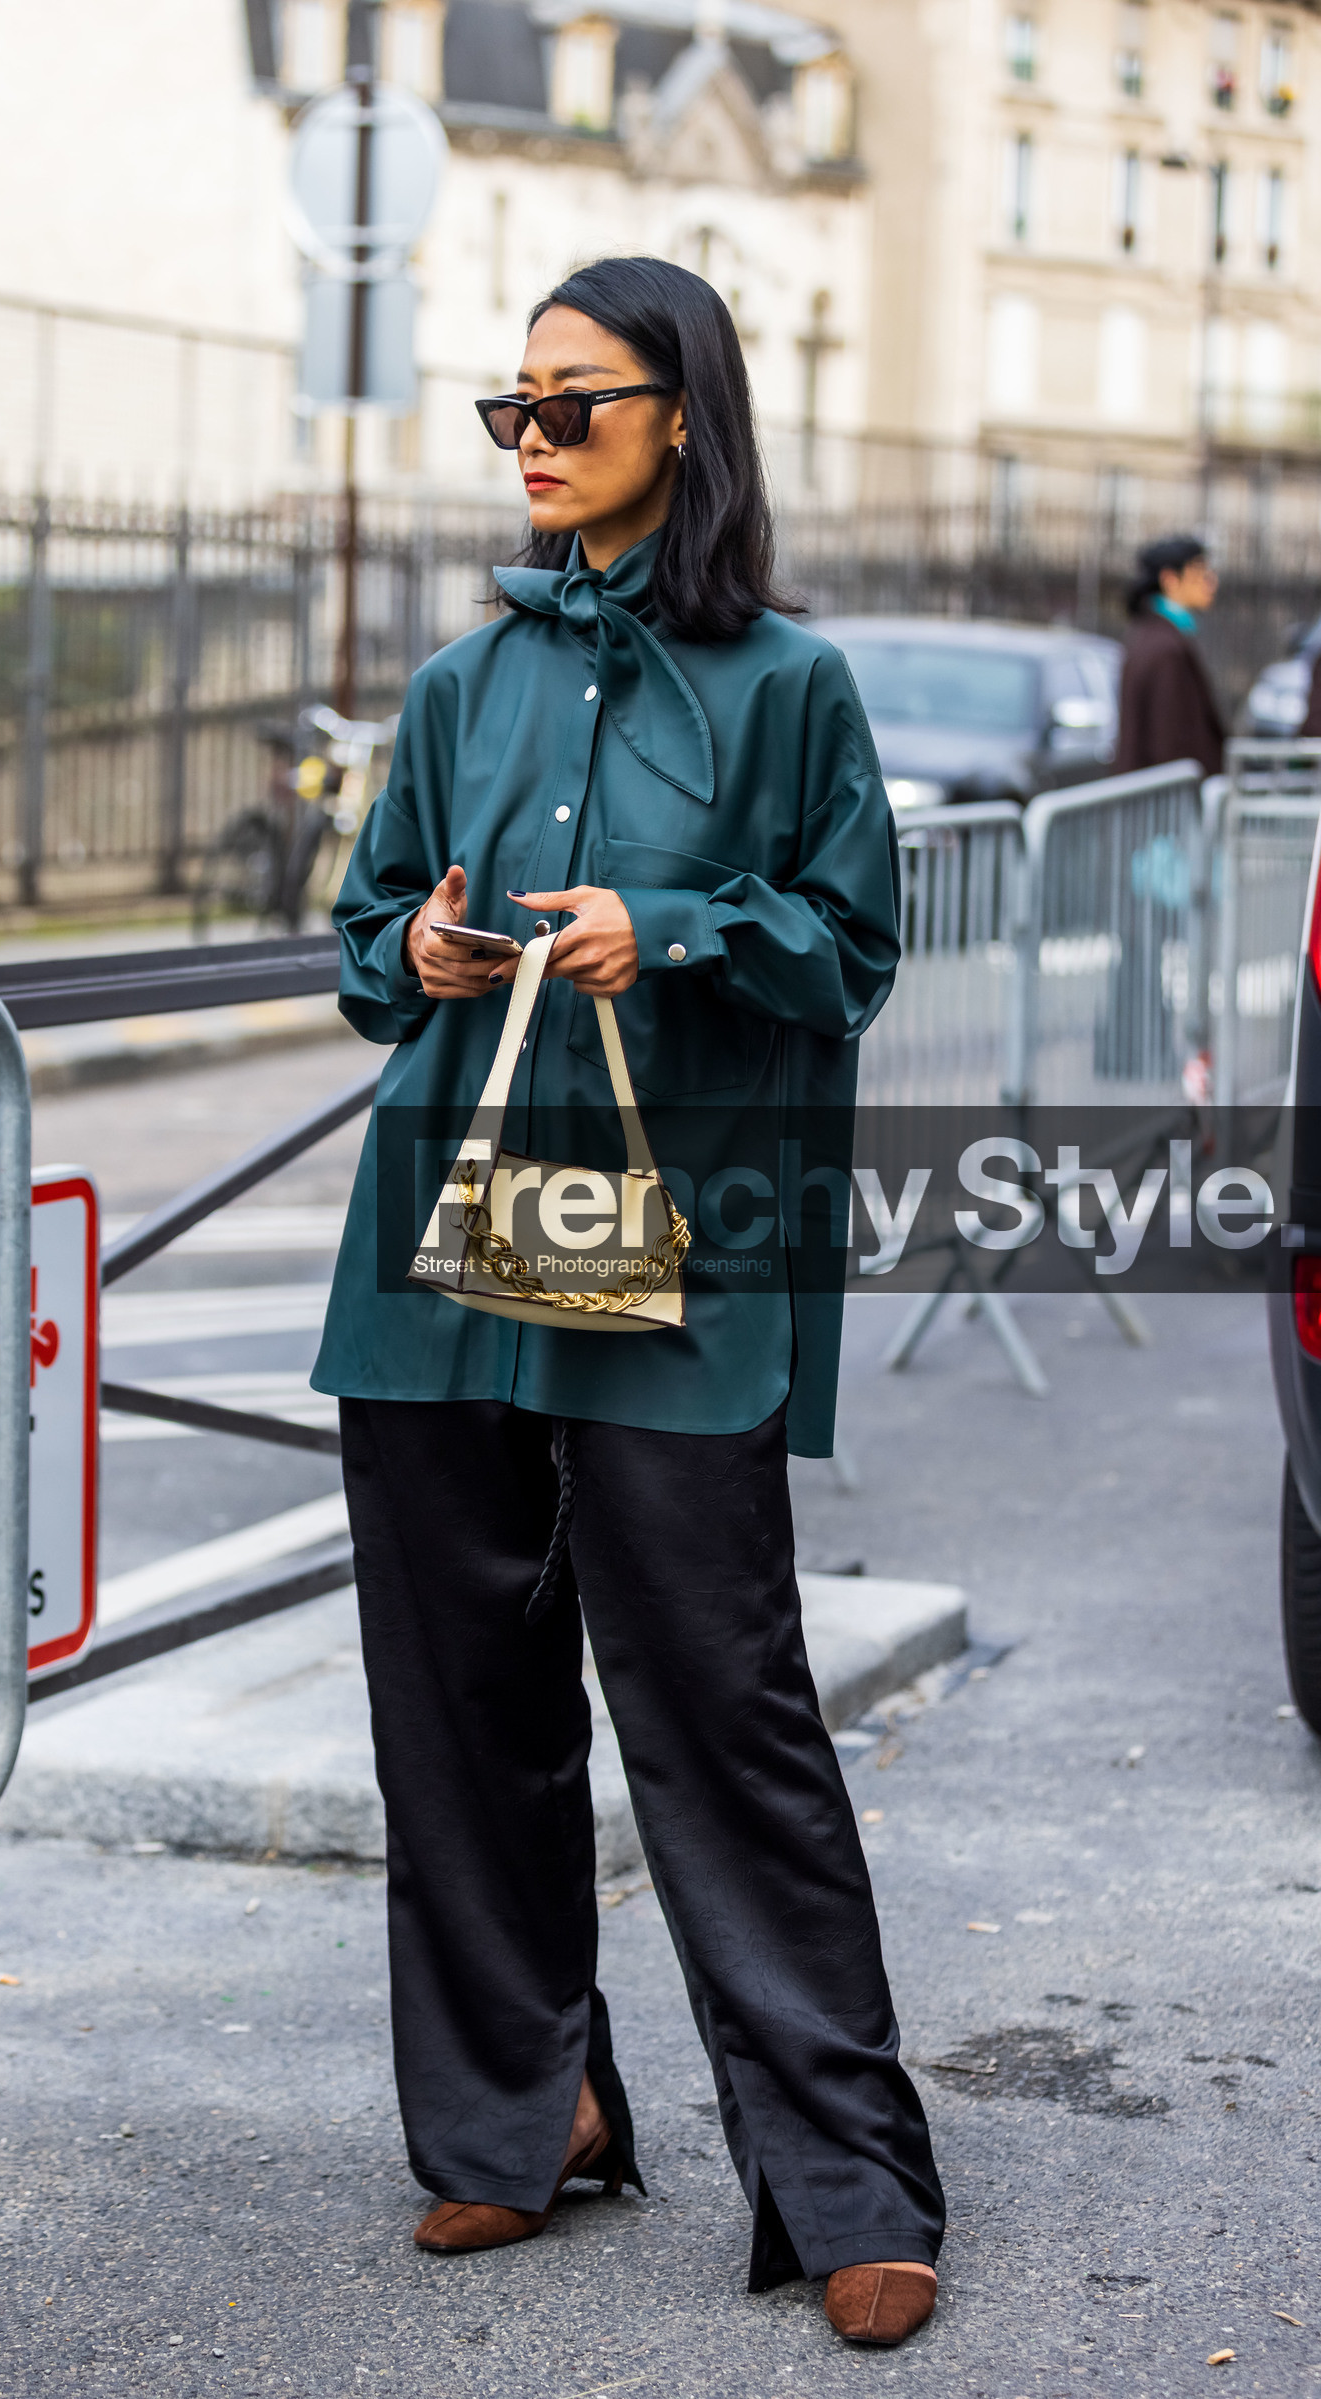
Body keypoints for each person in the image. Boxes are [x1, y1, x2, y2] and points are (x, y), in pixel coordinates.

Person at [310, 255, 945, 2351]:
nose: (531, 440)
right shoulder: (452, 683)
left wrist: (656, 928)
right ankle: (529, 2111)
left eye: (569, 404)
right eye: (510, 409)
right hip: (442, 1253)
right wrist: (417, 948)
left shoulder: (784, 686)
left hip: (673, 1245)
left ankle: (842, 2171)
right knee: (458, 1708)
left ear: (682, 415)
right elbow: (352, 937)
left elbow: (844, 948)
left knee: (720, 1703)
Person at [1115, 533, 1224, 776]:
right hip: (1165, 802)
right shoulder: (1165, 648)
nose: (1211, 582)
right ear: (1170, 579)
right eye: (1200, 574)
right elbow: (1169, 741)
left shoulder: (1156, 635)